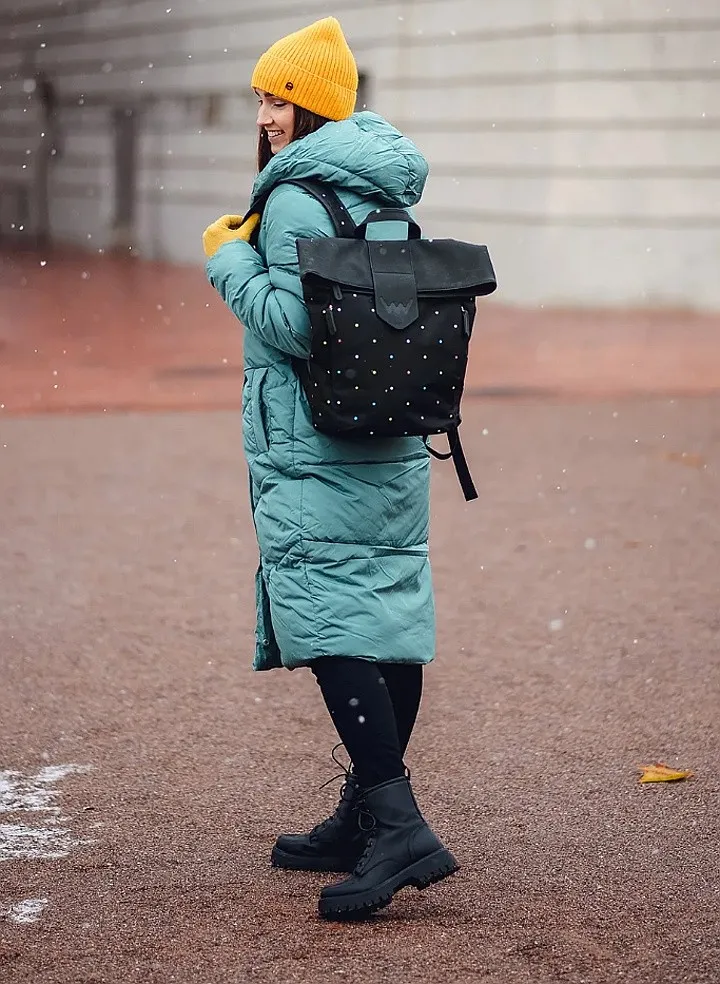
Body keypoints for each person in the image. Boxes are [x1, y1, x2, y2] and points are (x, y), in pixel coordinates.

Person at [202, 16, 458, 921]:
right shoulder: (381, 195)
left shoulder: (301, 197)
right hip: (387, 429)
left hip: (315, 439)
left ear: (308, 104)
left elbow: (300, 328)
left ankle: (395, 823)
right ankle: (364, 814)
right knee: (384, 606)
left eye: (275, 97)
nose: (264, 114)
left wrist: (228, 259)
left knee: (327, 615)